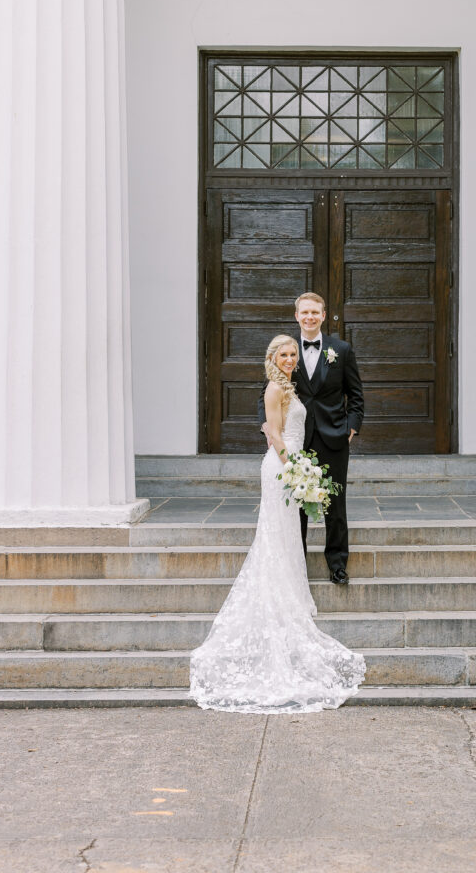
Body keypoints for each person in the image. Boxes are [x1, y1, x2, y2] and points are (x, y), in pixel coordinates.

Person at [189, 335, 365, 713]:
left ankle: (291, 594)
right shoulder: (274, 388)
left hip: (294, 466)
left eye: (291, 354)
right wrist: (298, 471)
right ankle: (279, 599)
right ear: (273, 358)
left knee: (284, 536)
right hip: (284, 469)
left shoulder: (291, 383)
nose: (289, 359)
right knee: (277, 537)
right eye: (283, 355)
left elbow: (345, 395)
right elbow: (274, 434)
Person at [258, 292, 364, 584]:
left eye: (315, 313)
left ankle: (338, 564)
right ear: (296, 316)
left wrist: (351, 429)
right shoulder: (286, 349)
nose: (309, 317)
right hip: (296, 442)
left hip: (334, 438)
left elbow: (355, 395)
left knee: (335, 504)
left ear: (323, 315)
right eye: (304, 312)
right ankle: (297, 566)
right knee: (296, 508)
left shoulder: (341, 349)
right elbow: (264, 394)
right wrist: (268, 429)